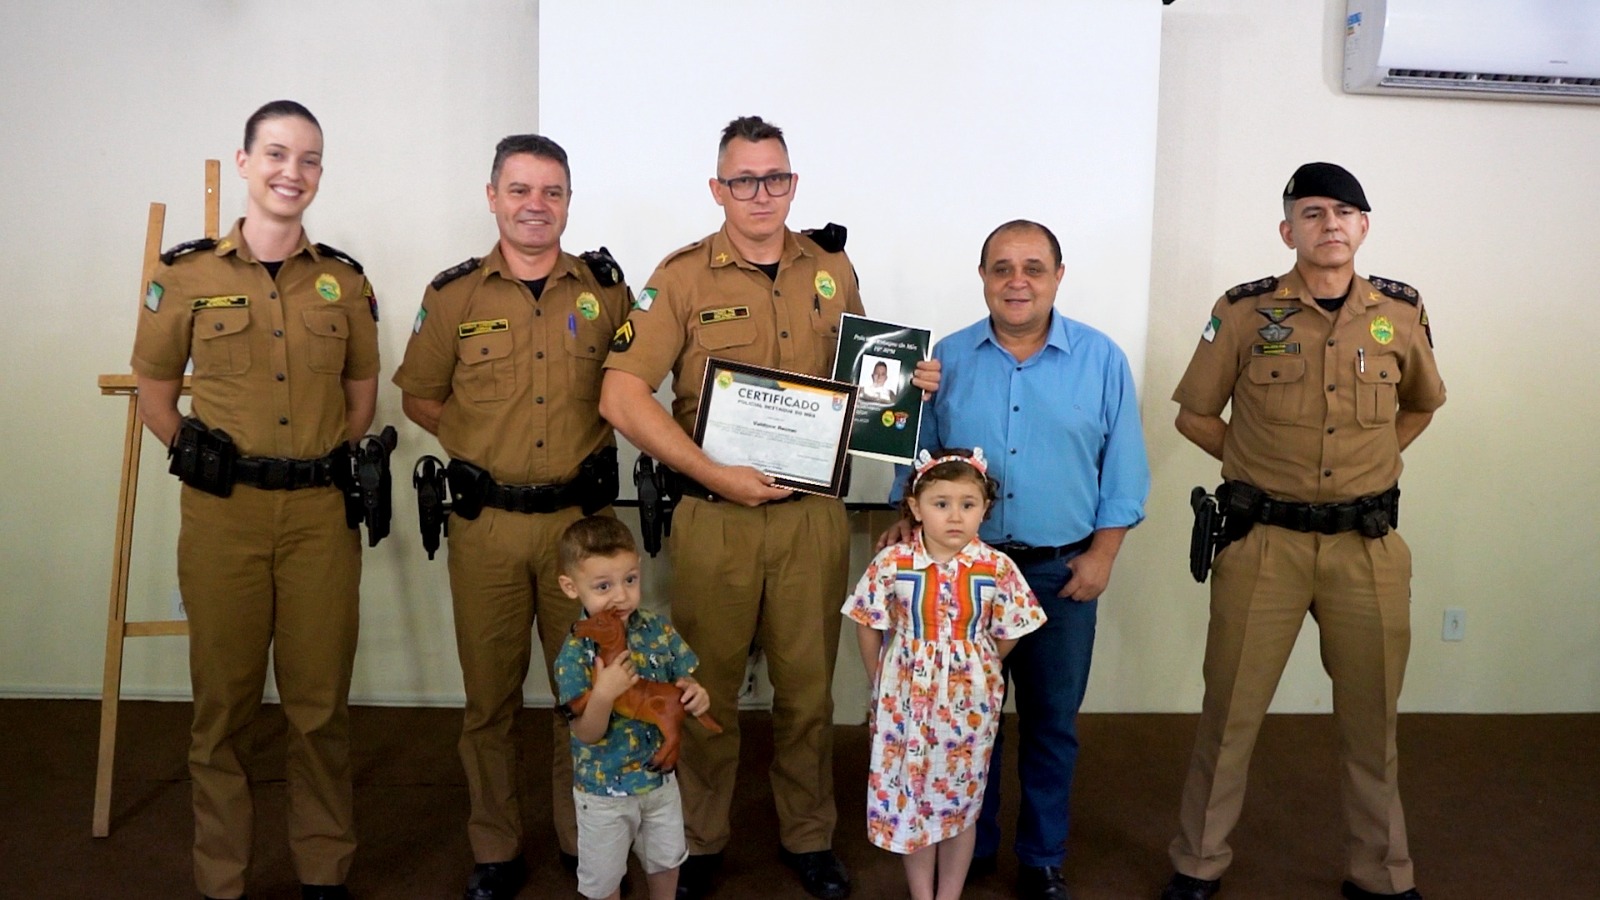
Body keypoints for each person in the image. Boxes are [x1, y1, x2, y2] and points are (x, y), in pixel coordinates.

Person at [599, 114, 938, 900]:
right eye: (744, 180)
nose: (761, 193)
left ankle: (808, 834)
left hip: (809, 518)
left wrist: (907, 386)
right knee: (704, 684)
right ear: (717, 189)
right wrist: (711, 473)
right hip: (714, 517)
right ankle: (698, 839)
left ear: (793, 183)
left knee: (808, 688)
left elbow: (861, 386)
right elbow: (620, 396)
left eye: (775, 177)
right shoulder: (681, 278)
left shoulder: (830, 268)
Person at [1159, 162, 1445, 900]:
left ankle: (1382, 874)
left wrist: (1372, 465)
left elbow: (1422, 403)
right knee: (1230, 717)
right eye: (1313, 213)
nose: (1330, 224)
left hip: (1366, 547)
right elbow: (1194, 414)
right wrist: (1255, 467)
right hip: (1265, 544)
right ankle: (1198, 863)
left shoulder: (1400, 313)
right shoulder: (1244, 312)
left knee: (1372, 723)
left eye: (1344, 212)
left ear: (1364, 227)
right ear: (1288, 231)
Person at [131, 100, 379, 900]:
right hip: (224, 518)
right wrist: (200, 456)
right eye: (275, 154)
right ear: (244, 162)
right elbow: (155, 395)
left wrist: (311, 461)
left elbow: (360, 398)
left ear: (320, 172)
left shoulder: (346, 281)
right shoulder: (184, 276)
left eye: (308, 159)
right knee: (223, 709)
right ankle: (223, 878)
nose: (291, 172)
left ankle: (323, 870)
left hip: (318, 518)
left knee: (319, 706)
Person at [391, 134, 632, 900]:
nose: (536, 205)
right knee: (489, 698)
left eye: (552, 191)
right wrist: (482, 448)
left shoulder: (605, 293)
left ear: (569, 201)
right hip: (488, 528)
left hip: (582, 534)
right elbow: (420, 396)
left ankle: (583, 835)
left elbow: (638, 384)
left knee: (587, 692)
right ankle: (494, 847)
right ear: (493, 196)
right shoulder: (454, 296)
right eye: (520, 190)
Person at [881, 219, 1150, 900]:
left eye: (1033, 267)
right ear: (983, 278)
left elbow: (1124, 470)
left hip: (1062, 574)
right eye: (1002, 268)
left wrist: (1104, 555)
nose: (1017, 281)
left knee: (1051, 722)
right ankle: (969, 843)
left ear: (1059, 276)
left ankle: (1041, 858)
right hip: (963, 577)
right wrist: (905, 517)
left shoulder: (1102, 359)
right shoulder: (946, 360)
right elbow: (917, 464)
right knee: (966, 720)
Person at [845, 448, 1045, 900]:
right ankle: (922, 894)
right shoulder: (893, 562)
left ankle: (949, 893)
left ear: (984, 509)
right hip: (904, 699)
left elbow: (1014, 626)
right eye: (941, 503)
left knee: (961, 801)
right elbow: (867, 619)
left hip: (968, 706)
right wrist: (880, 677)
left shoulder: (997, 567)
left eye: (967, 504)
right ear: (915, 508)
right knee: (912, 800)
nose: (955, 516)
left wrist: (981, 661)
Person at [552, 516, 711, 900]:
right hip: (603, 793)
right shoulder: (575, 654)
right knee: (604, 879)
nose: (620, 596)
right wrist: (603, 694)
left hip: (659, 785)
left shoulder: (658, 629)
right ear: (571, 587)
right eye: (603, 586)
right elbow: (585, 732)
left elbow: (682, 682)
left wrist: (696, 694)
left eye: (630, 580)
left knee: (667, 862)